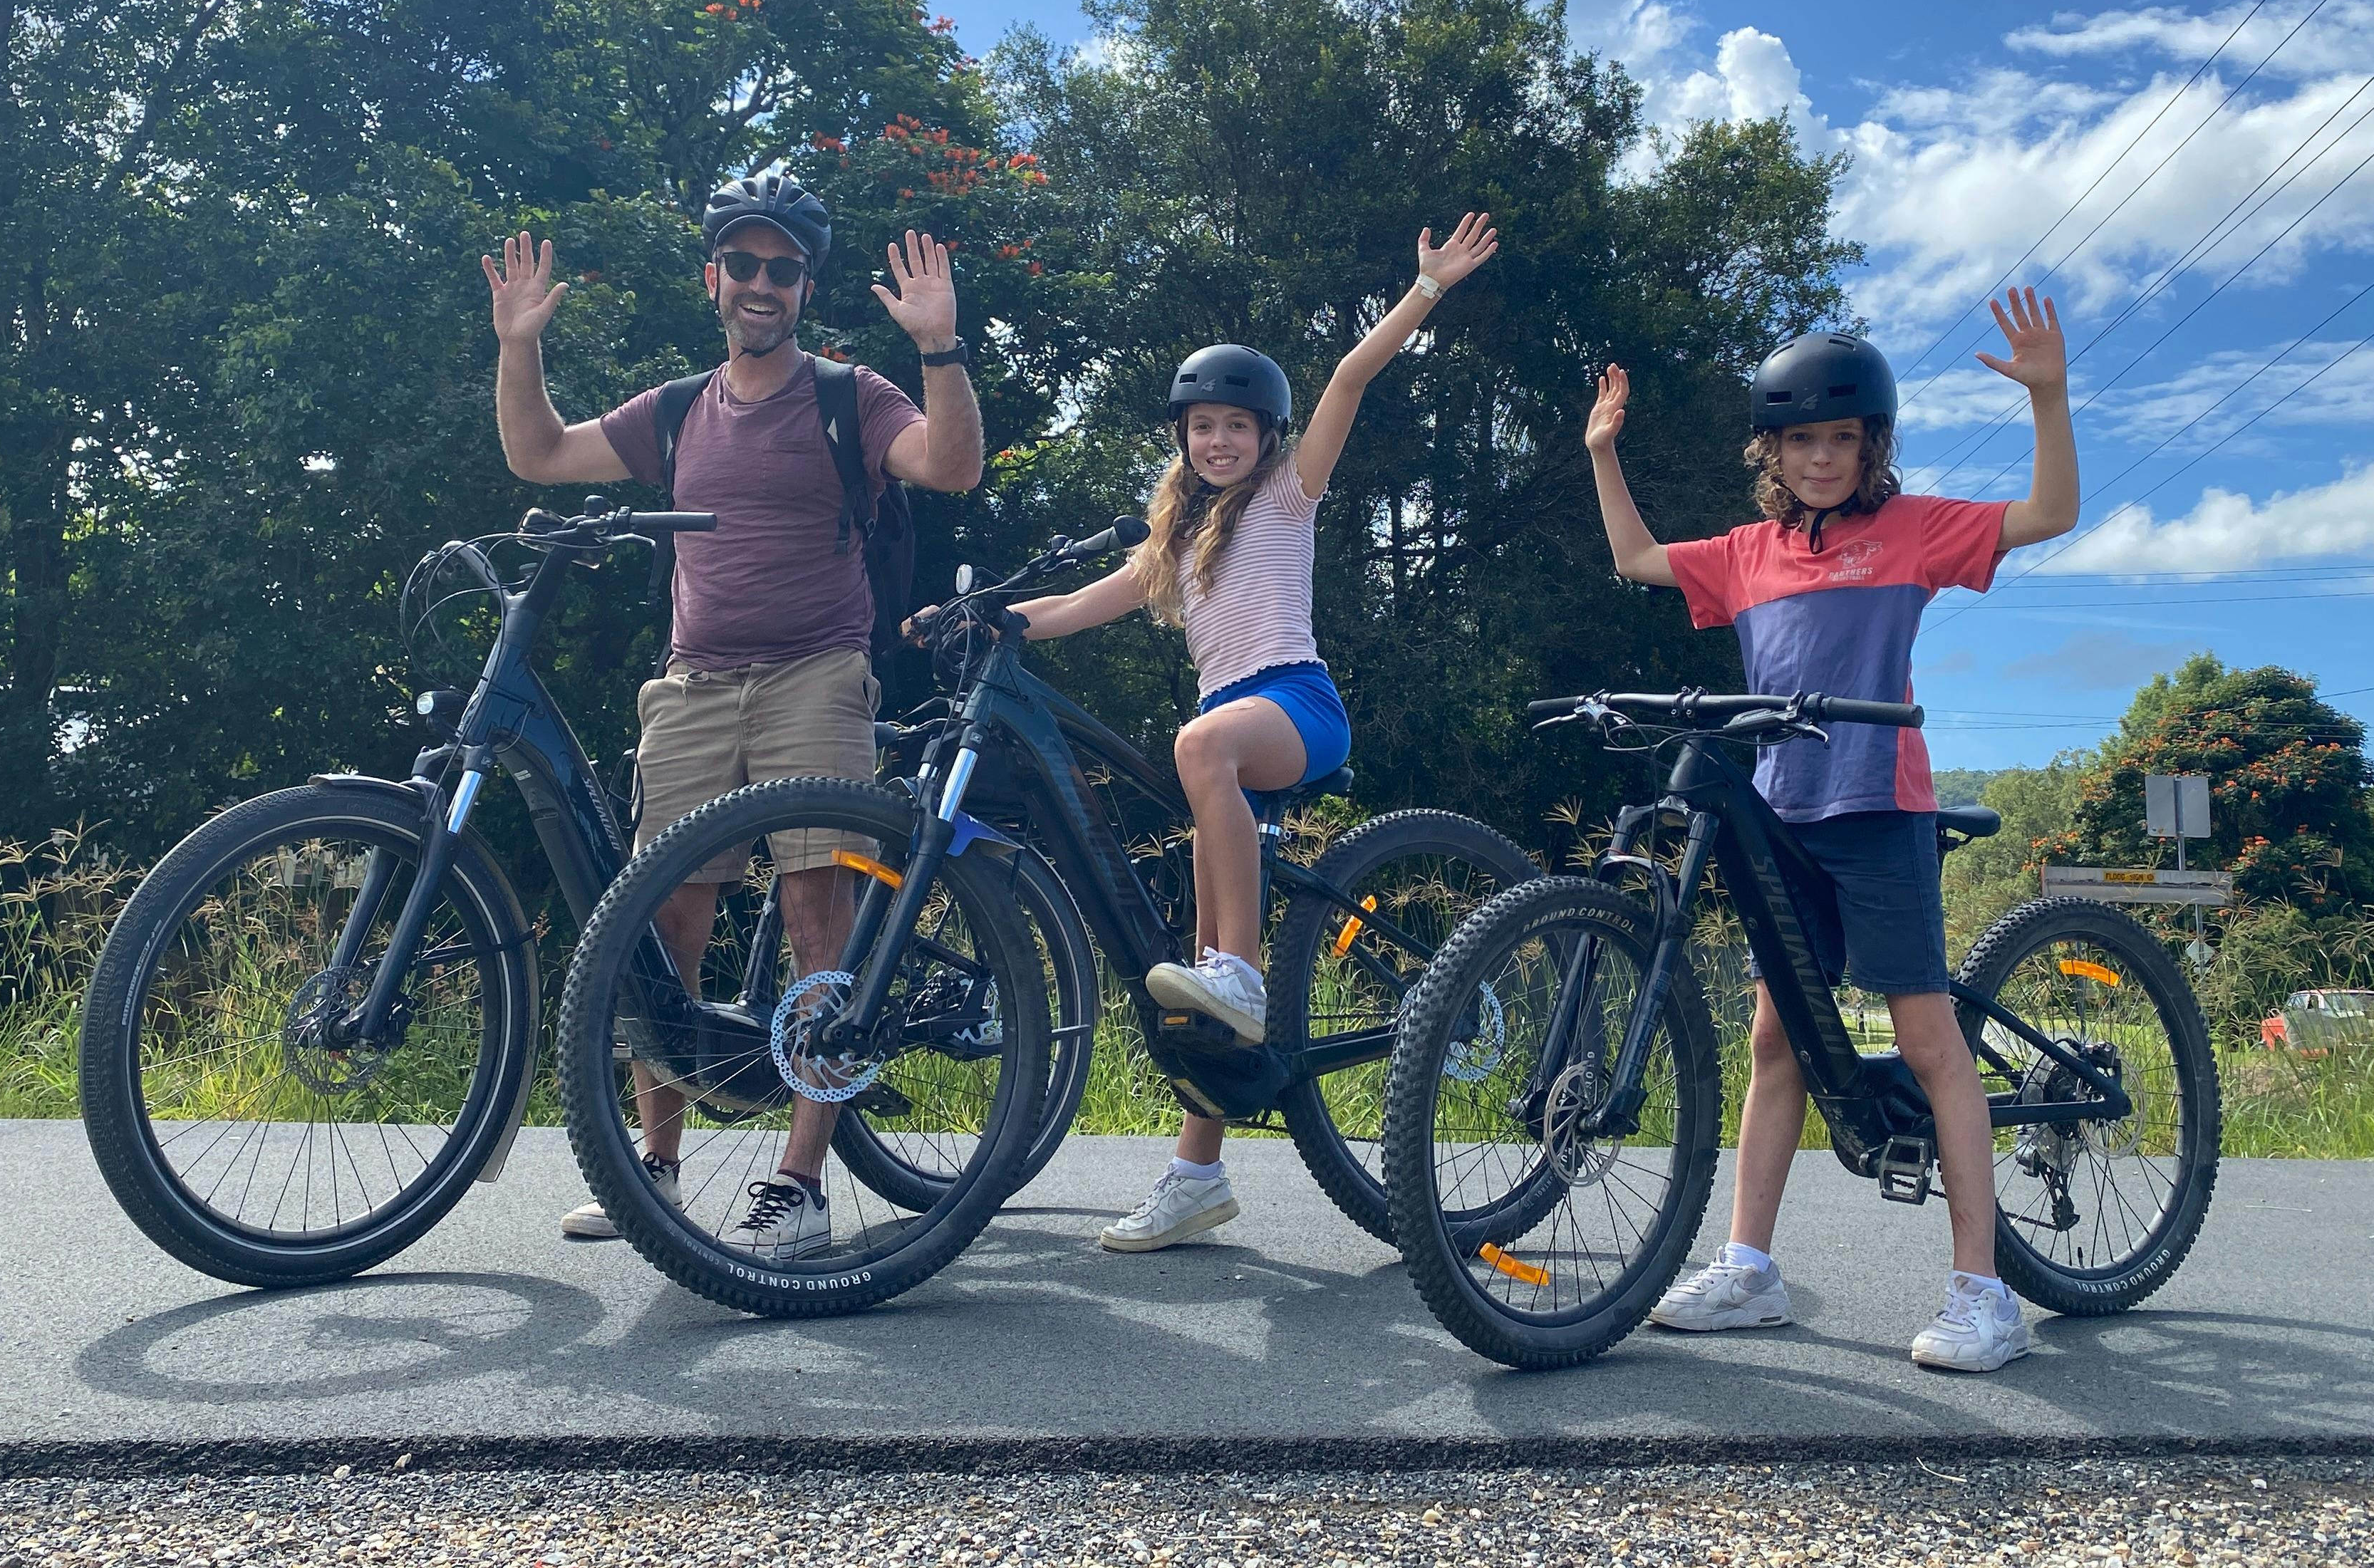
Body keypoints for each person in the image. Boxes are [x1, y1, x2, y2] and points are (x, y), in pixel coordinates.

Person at [482, 170, 983, 1256]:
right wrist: (519, 344)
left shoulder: (853, 395)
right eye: (745, 265)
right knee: (663, 928)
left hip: (818, 673)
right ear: (714, 278)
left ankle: (798, 1184)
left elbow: (952, 466)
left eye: (785, 270)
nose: (763, 284)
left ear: (806, 286)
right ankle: (652, 1168)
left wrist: (939, 348)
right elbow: (538, 454)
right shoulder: (671, 411)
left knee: (818, 922)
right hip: (694, 682)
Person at [1581, 290, 2078, 1373]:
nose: (1819, 459)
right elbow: (1637, 561)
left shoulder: (1911, 531)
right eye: (1800, 440)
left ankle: (1983, 1293)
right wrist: (1603, 455)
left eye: (1840, 440)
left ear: (1872, 446)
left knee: (1927, 1041)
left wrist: (2049, 396)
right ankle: (1750, 1270)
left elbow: (2046, 515)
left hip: (1877, 807)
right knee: (1778, 1042)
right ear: (1773, 450)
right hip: (1783, 820)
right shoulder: (1750, 552)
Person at [985, 214, 1500, 1253]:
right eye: (1200, 427)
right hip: (1236, 733)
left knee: (1198, 745)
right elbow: (1083, 604)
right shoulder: (1177, 538)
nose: (1217, 441)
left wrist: (1427, 289)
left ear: (1265, 435)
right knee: (1198, 980)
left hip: (1296, 705)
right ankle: (1197, 1175)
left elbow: (1350, 380)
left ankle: (1245, 974)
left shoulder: (1288, 498)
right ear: (1181, 439)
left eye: (1236, 426)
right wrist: (984, 619)